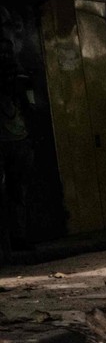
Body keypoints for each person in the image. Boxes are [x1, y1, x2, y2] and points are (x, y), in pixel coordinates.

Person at [0, 35, 36, 251]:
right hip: (7, 141)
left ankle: (18, 238)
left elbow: (31, 108)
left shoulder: (21, 79)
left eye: (7, 51)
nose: (4, 56)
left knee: (18, 192)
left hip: (19, 140)